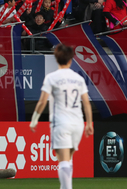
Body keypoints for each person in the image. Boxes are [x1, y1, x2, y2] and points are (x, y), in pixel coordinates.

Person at [30, 43, 93, 189]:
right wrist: (89, 123)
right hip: (78, 123)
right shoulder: (78, 78)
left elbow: (41, 102)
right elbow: (86, 104)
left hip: (61, 123)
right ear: (70, 60)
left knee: (63, 161)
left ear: (56, 59)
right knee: (69, 160)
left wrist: (34, 120)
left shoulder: (52, 77)